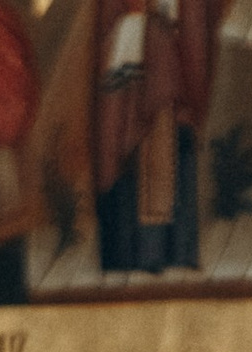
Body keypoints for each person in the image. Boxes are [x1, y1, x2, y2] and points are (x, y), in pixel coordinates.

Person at [91, 0, 214, 273]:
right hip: (131, 86)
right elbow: (107, 26)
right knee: (131, 170)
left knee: (176, 161)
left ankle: (175, 251)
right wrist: (145, 29)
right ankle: (140, 254)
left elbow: (196, 34)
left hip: (174, 90)